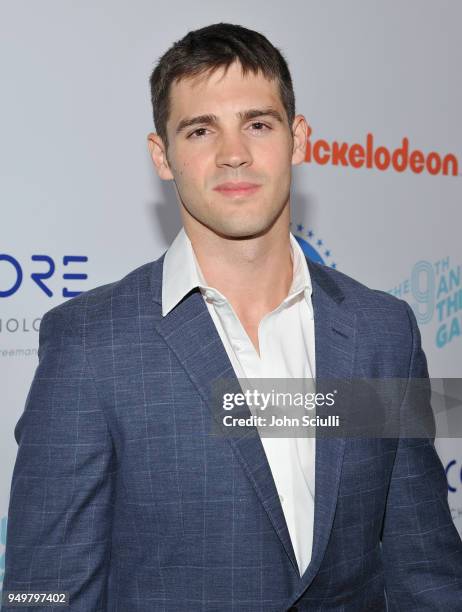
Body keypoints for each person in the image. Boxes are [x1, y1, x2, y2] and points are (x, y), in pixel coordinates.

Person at [3, 22, 462, 612]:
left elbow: (425, 571)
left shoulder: (382, 332)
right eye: (200, 130)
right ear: (161, 156)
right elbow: (44, 595)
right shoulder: (91, 344)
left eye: (258, 123)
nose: (234, 153)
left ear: (298, 138)